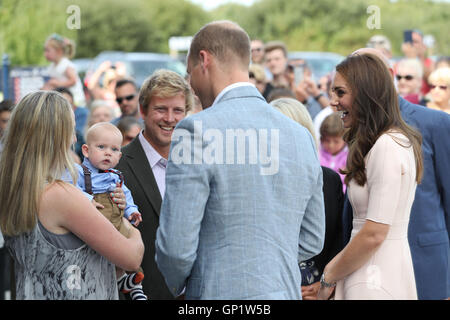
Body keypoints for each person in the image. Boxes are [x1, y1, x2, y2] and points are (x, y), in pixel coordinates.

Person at [155, 20, 325, 300]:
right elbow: (312, 237)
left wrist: (183, 286)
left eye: (189, 73)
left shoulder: (194, 130)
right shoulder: (300, 135)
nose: (191, 85)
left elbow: (175, 247)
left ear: (203, 60)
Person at [0, 91, 144, 299]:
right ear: (57, 135)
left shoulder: (14, 187)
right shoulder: (60, 195)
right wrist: (128, 225)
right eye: (71, 129)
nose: (75, 137)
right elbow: (131, 257)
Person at [342, 48, 450, 300]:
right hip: (364, 269)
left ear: (387, 75)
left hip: (423, 266)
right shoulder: (354, 124)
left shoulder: (436, 124)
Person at [318, 53, 423, 300]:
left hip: (374, 277)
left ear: (366, 94)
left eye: (340, 93)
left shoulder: (387, 145)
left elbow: (374, 233)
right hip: (377, 270)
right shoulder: (389, 141)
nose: (333, 102)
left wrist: (329, 275)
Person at [116, 69, 193, 299]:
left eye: (177, 110)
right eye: (161, 109)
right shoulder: (116, 168)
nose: (170, 118)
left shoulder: (200, 162)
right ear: (143, 111)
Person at [270, 98, 344, 300]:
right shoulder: (258, 182)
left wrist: (326, 282)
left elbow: (339, 234)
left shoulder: (329, 180)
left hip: (319, 288)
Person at [76, 122, 146, 300]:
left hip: (115, 220)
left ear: (120, 155)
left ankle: (134, 285)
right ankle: (123, 281)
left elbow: (126, 195)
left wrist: (131, 210)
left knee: (125, 243)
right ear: (86, 150)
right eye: (101, 147)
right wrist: (87, 199)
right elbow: (72, 190)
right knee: (105, 254)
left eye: (114, 149)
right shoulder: (80, 172)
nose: (108, 152)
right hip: (96, 222)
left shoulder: (115, 176)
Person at [41, 33, 86, 106]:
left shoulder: (65, 64)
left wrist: (58, 84)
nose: (45, 54)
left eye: (47, 51)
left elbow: (73, 80)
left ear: (59, 51)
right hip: (64, 98)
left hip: (76, 100)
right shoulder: (52, 66)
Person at [319, 113, 348, 193]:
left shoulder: (348, 157)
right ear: (321, 139)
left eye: (336, 141)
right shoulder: (318, 154)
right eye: (327, 140)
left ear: (345, 140)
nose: (331, 145)